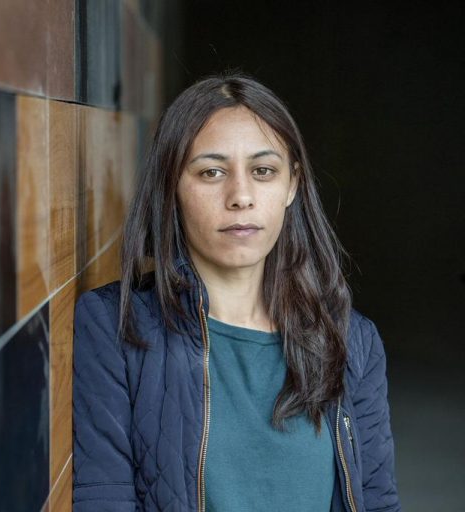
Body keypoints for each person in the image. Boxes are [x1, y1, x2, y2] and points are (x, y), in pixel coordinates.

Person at [72, 72, 400, 512]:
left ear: (292, 185)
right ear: (171, 187)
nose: (241, 196)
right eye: (212, 172)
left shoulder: (353, 341)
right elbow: (104, 499)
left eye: (263, 171)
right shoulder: (116, 328)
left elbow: (377, 501)